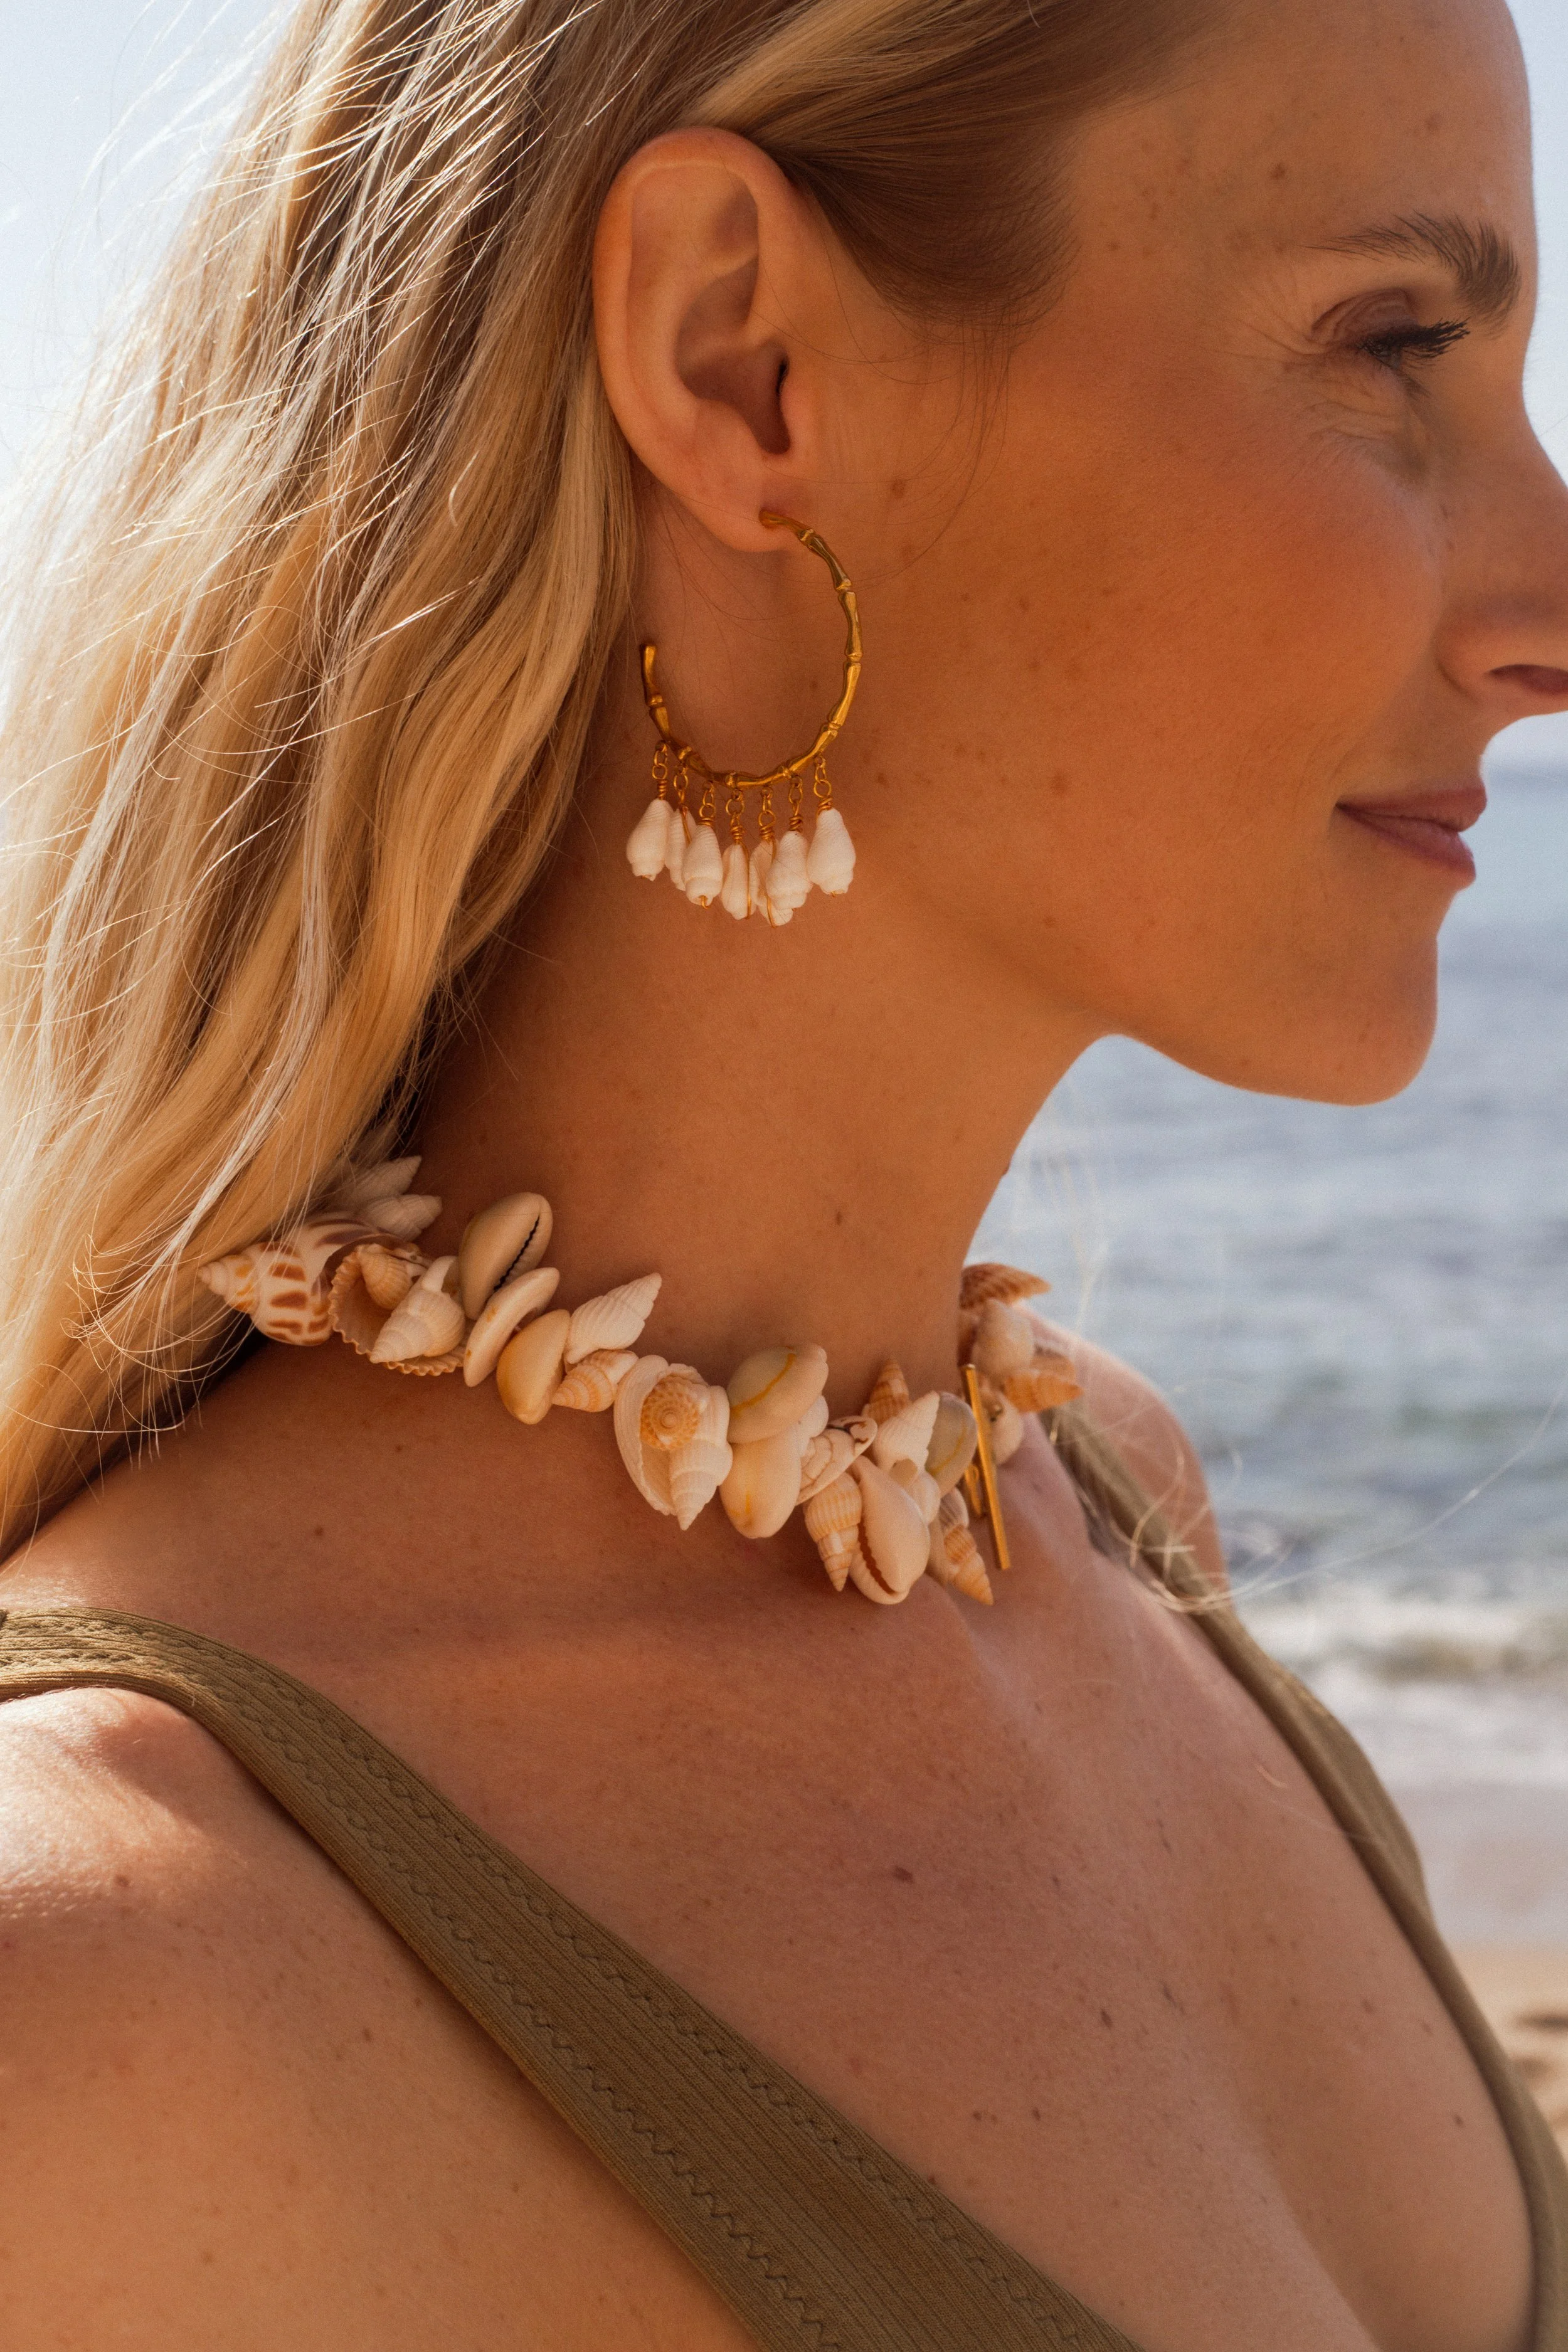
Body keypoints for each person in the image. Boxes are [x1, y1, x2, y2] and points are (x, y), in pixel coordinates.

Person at [0, 0, 1564, 2343]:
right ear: (743, 370)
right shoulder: (111, 1987)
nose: (1544, 598)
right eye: (1389, 342)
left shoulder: (1109, 1512)